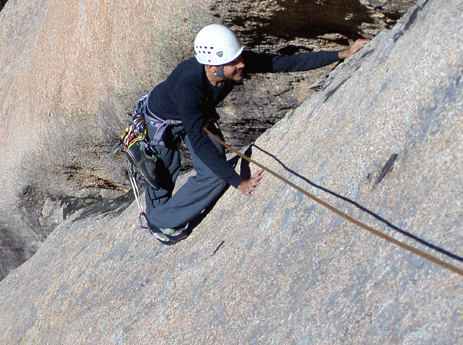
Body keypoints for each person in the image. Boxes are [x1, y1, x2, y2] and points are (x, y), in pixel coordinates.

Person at [141, 24, 368, 244]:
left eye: (240, 58)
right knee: (162, 175)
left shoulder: (232, 63)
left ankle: (162, 218)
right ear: (212, 67)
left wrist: (343, 53)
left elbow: (285, 63)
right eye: (234, 62)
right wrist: (239, 183)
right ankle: (159, 222)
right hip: (162, 121)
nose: (242, 65)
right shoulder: (189, 87)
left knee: (214, 175)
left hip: (199, 115)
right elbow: (199, 142)